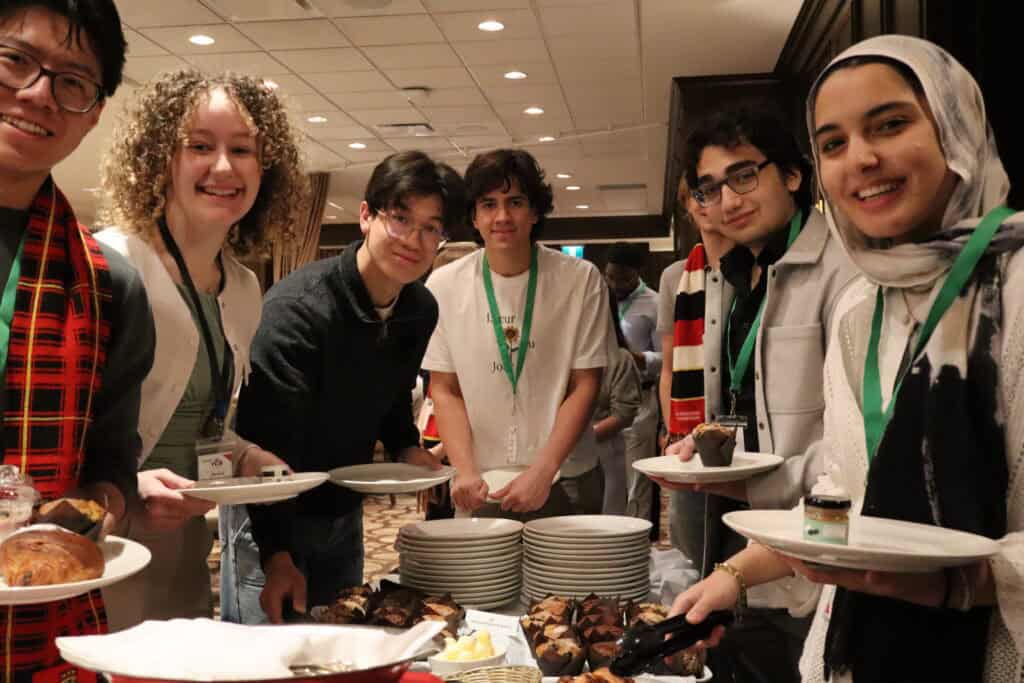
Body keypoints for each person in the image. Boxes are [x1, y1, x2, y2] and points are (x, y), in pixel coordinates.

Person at [671, 36, 1024, 683]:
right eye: (833, 142)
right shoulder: (865, 305)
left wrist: (962, 584)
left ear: (955, 124)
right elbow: (843, 493)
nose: (861, 158)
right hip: (857, 650)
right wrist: (735, 573)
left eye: (890, 124)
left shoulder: (1017, 288)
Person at [96, 69, 308, 630]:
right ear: (158, 158)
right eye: (199, 146)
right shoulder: (113, 266)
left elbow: (201, 418)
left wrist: (244, 457)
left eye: (242, 149)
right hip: (102, 544)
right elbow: (53, 427)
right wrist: (125, 483)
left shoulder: (241, 289)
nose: (223, 167)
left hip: (186, 547)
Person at [655, 104, 857, 683]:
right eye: (710, 188)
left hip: (816, 548)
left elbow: (854, 444)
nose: (728, 201)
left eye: (745, 176)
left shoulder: (842, 271)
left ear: (792, 174)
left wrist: (750, 481)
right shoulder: (743, 273)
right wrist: (705, 440)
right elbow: (747, 400)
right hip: (740, 532)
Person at [220, 151, 466, 624]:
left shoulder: (419, 309)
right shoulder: (298, 311)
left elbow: (394, 393)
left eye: (432, 228)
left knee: (343, 647)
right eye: (400, 219)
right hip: (267, 517)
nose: (414, 240)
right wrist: (278, 555)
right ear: (366, 216)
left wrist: (405, 447)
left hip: (343, 509)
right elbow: (263, 439)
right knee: (270, 660)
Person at [0, 0, 156, 677]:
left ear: (94, 112)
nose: (38, 93)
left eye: (72, 81)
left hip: (46, 631)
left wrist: (98, 512)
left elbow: (112, 460)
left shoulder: (108, 284)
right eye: (15, 60)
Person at [423, 149, 612, 520]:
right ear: (474, 217)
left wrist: (543, 470)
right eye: (488, 204)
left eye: (515, 202)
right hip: (482, 478)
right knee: (484, 577)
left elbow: (585, 384)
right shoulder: (444, 285)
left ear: (535, 211)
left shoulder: (580, 279)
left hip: (567, 474)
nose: (502, 217)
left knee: (567, 578)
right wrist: (463, 469)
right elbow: (444, 387)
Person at [656, 176, 733, 563]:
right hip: (689, 432)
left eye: (714, 193)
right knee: (690, 542)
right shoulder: (674, 278)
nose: (706, 205)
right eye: (696, 196)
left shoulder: (756, 267)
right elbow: (668, 368)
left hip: (744, 432)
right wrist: (672, 431)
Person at [562, 286, 641, 514]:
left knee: (605, 522)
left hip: (604, 451)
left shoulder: (619, 357)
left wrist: (576, 436)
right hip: (560, 456)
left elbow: (624, 414)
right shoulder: (560, 354)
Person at [604, 243, 661, 523]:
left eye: (621, 278)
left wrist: (637, 358)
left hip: (641, 402)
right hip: (603, 403)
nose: (614, 284)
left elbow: (669, 359)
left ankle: (636, 536)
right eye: (609, 277)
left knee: (637, 479)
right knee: (609, 476)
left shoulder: (655, 303)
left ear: (636, 274)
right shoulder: (600, 299)